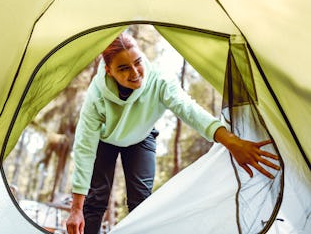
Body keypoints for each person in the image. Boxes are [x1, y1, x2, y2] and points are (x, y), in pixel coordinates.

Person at [66, 32, 280, 234]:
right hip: (105, 140)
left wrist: (231, 142)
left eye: (138, 62)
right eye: (123, 68)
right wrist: (76, 208)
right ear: (109, 71)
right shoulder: (96, 96)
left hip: (141, 137)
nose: (135, 73)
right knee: (95, 200)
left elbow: (188, 110)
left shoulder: (159, 81)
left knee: (141, 202)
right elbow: (85, 148)